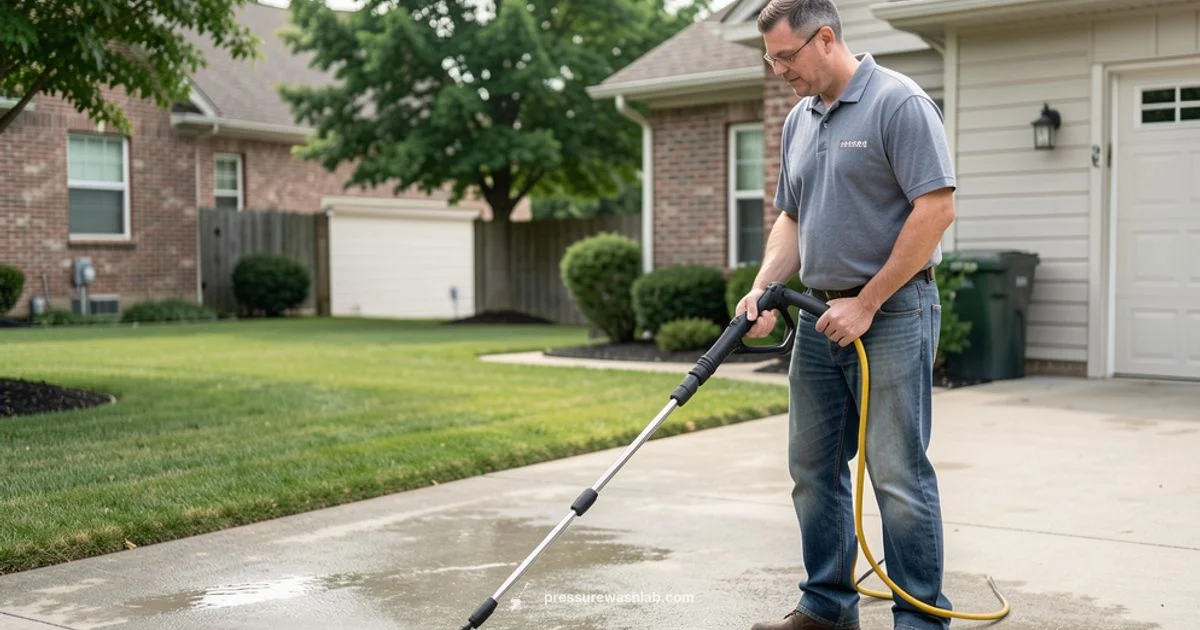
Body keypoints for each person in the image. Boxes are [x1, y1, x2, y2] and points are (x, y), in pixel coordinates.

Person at [737, 2, 957, 630]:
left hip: (891, 311)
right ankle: (827, 608)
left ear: (825, 38)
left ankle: (920, 619)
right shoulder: (798, 120)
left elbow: (935, 210)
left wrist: (867, 303)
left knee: (896, 473)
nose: (778, 70)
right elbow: (793, 217)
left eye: (785, 56)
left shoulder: (899, 102)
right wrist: (763, 288)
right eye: (769, 58)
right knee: (811, 468)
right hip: (816, 316)